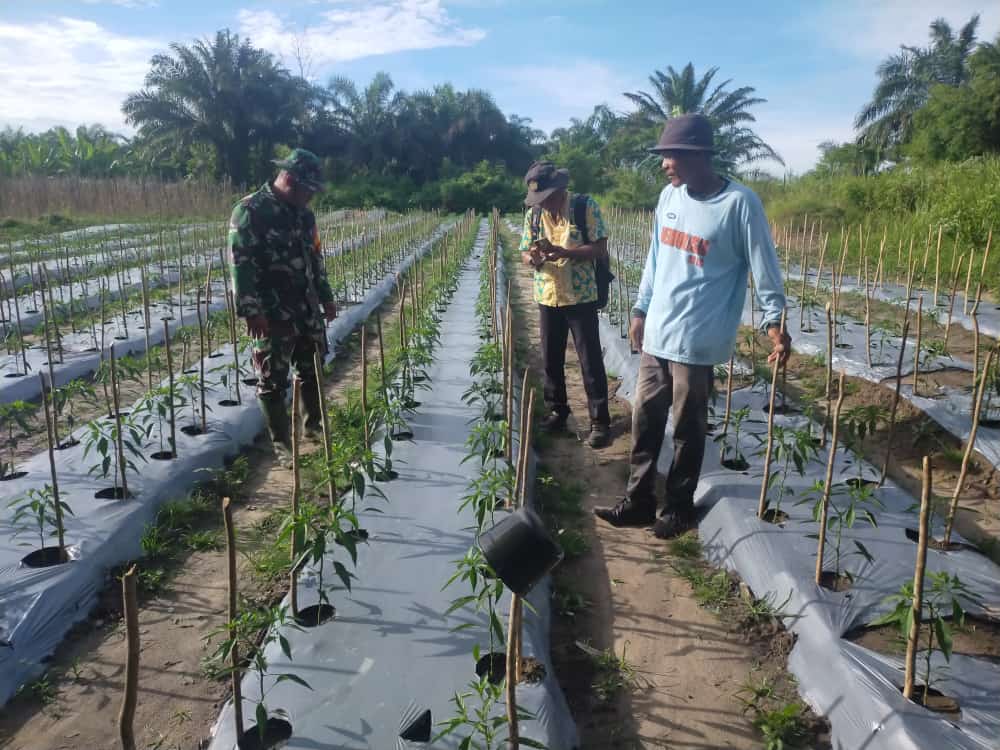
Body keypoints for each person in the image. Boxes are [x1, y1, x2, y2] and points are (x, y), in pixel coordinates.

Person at [594, 114, 791, 539]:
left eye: (673, 155)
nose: (665, 163)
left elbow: (764, 267)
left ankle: (679, 506)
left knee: (687, 427)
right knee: (644, 420)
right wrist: (640, 309)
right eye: (665, 155)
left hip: (698, 341)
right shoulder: (669, 198)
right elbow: (654, 259)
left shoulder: (739, 204)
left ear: (699, 155)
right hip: (658, 335)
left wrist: (774, 321)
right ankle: (639, 500)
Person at [228, 148, 337, 461]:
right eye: (308, 190)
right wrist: (251, 310)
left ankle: (314, 429)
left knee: (313, 367)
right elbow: (241, 264)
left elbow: (314, 257)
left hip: (306, 307)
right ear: (289, 179)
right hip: (273, 312)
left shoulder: (305, 215)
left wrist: (325, 295)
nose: (311, 197)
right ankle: (282, 446)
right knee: (272, 379)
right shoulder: (251, 211)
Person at [519, 161, 612, 448]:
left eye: (546, 198)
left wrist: (564, 252)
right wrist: (533, 257)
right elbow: (524, 251)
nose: (543, 204)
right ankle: (557, 410)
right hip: (547, 294)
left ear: (559, 190)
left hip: (580, 295)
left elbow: (599, 248)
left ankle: (599, 421)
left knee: (589, 359)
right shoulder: (534, 215)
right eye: (539, 200)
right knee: (550, 357)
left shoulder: (585, 207)